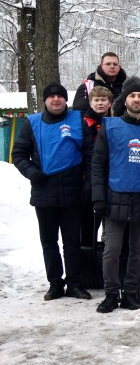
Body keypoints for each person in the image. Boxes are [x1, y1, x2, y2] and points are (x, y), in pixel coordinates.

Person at [12, 83, 93, 301]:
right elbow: (18, 154)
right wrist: (32, 173)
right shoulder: (32, 123)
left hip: (73, 193)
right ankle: (55, 284)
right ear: (45, 100)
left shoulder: (78, 121)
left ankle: (74, 283)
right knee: (49, 242)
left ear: (66, 100)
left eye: (60, 96)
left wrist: (87, 186)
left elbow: (90, 157)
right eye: (51, 96)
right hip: (44, 192)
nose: (56, 99)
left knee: (72, 242)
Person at [91, 77, 140, 313]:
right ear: (125, 100)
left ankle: (130, 293)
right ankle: (111, 293)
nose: (136, 99)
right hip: (115, 196)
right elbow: (98, 165)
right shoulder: (109, 127)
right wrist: (98, 197)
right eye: (132, 95)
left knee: (138, 250)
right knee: (111, 249)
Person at [80, 86, 113, 245]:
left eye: (103, 100)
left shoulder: (115, 122)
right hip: (90, 179)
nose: (100, 103)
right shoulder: (83, 124)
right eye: (96, 100)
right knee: (88, 224)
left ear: (110, 103)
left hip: (111, 178)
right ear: (90, 103)